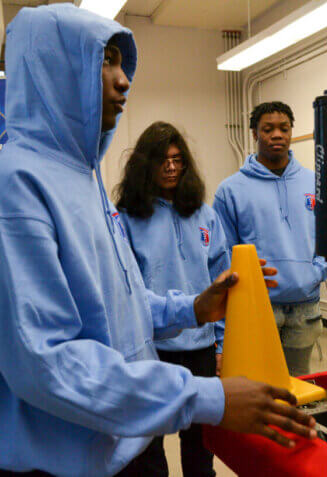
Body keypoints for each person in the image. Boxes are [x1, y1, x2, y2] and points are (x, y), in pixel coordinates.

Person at [0, 5, 316, 476]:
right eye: (106, 61)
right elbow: (46, 362)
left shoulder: (82, 178)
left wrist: (194, 308)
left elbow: (118, 305)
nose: (123, 79)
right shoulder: (14, 187)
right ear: (54, 69)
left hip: (122, 440)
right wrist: (206, 396)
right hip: (58, 457)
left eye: (123, 64)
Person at [116, 121, 230, 477]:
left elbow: (223, 283)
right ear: (145, 166)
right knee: (149, 446)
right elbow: (127, 294)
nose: (171, 167)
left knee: (200, 443)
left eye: (178, 159)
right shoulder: (126, 219)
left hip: (200, 346)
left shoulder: (205, 214)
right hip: (154, 349)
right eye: (162, 160)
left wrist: (222, 342)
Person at [213, 101, 327, 377]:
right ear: (255, 133)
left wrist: (316, 272)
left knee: (299, 384)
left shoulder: (314, 182)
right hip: (256, 308)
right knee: (258, 382)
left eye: (284, 128)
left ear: (291, 132)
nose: (277, 135)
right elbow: (222, 255)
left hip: (305, 306)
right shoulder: (230, 190)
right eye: (268, 129)